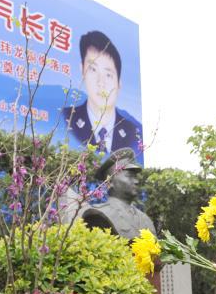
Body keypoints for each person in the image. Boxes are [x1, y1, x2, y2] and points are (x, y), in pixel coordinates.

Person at [63, 30, 143, 164]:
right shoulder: (66, 118)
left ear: (119, 83)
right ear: (82, 71)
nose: (101, 82)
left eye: (108, 75)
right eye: (93, 70)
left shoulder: (134, 133)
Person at [81, 147, 155, 240]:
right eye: (129, 176)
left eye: (135, 177)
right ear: (110, 182)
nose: (136, 181)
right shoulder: (98, 214)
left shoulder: (145, 219)